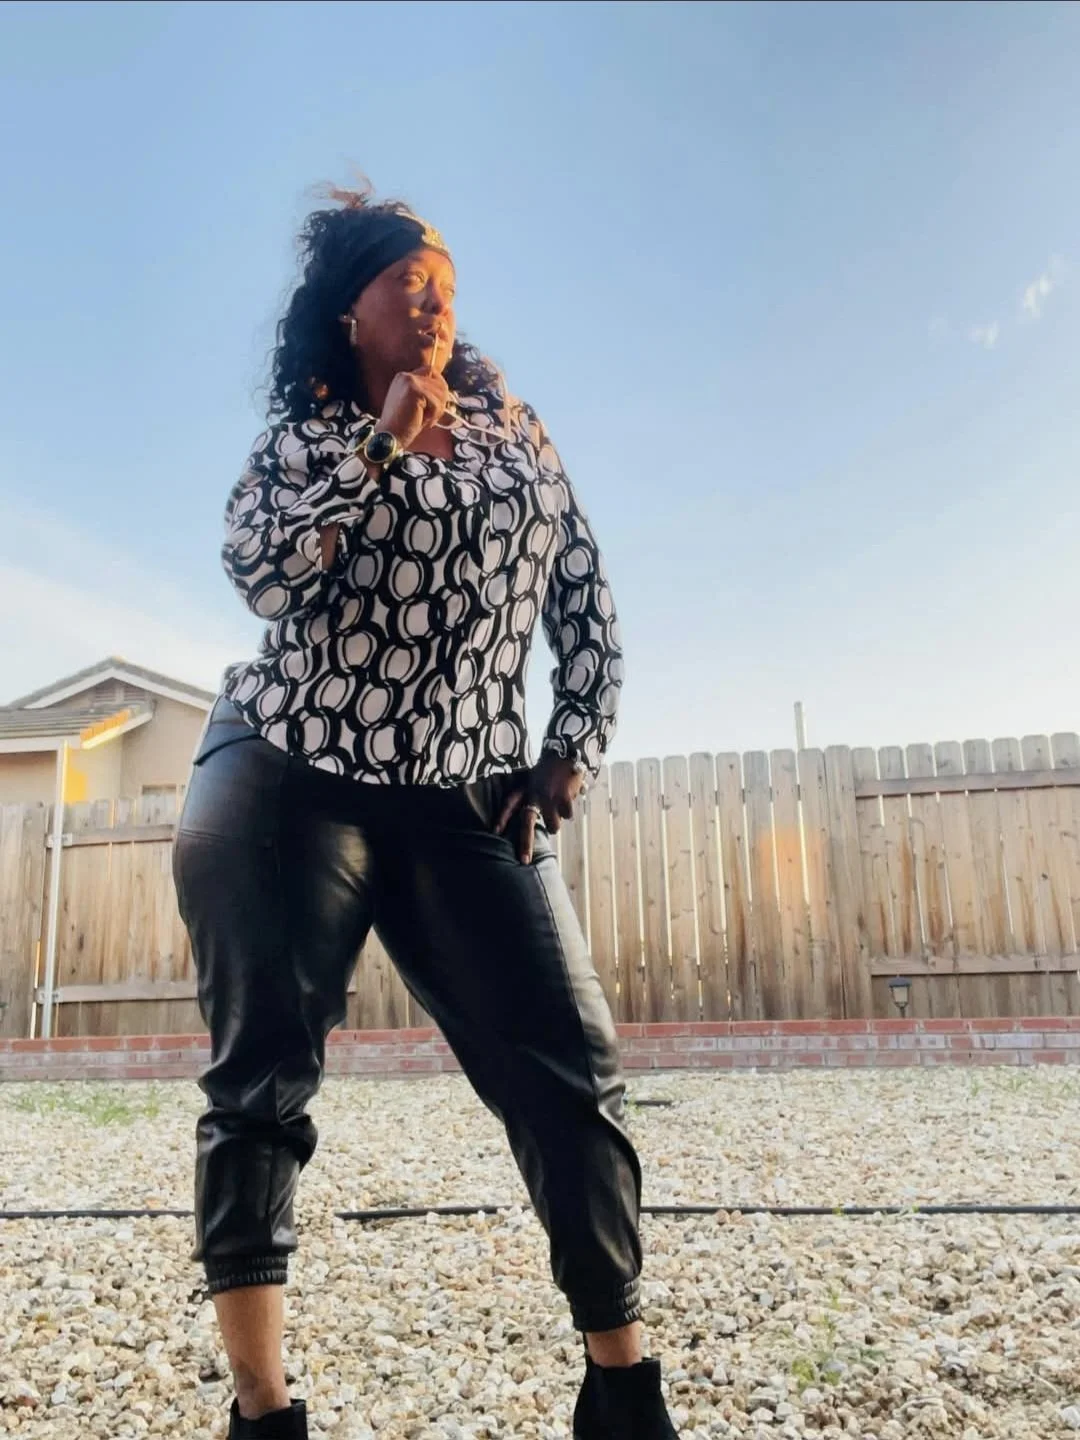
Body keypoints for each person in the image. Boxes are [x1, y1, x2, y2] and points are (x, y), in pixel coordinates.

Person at [173, 183, 680, 1440]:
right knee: (262, 1089)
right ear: (349, 311)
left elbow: (584, 597)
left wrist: (571, 745)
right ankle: (262, 1410)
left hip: (462, 792)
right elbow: (263, 575)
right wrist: (379, 449)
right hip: (291, 776)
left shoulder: (516, 433)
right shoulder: (305, 441)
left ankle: (624, 1393)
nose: (434, 299)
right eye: (406, 279)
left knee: (571, 1078)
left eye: (445, 281)